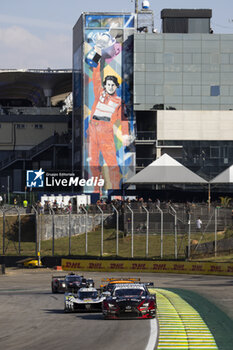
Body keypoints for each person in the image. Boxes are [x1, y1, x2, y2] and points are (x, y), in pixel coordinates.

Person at [87, 60, 131, 191]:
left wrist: (125, 135)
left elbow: (124, 119)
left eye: (113, 85)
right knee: (93, 163)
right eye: (108, 84)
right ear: (105, 85)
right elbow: (96, 76)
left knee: (112, 163)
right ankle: (96, 192)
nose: (110, 87)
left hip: (105, 131)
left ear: (116, 87)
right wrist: (97, 56)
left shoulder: (118, 101)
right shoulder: (99, 93)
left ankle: (116, 192)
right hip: (93, 129)